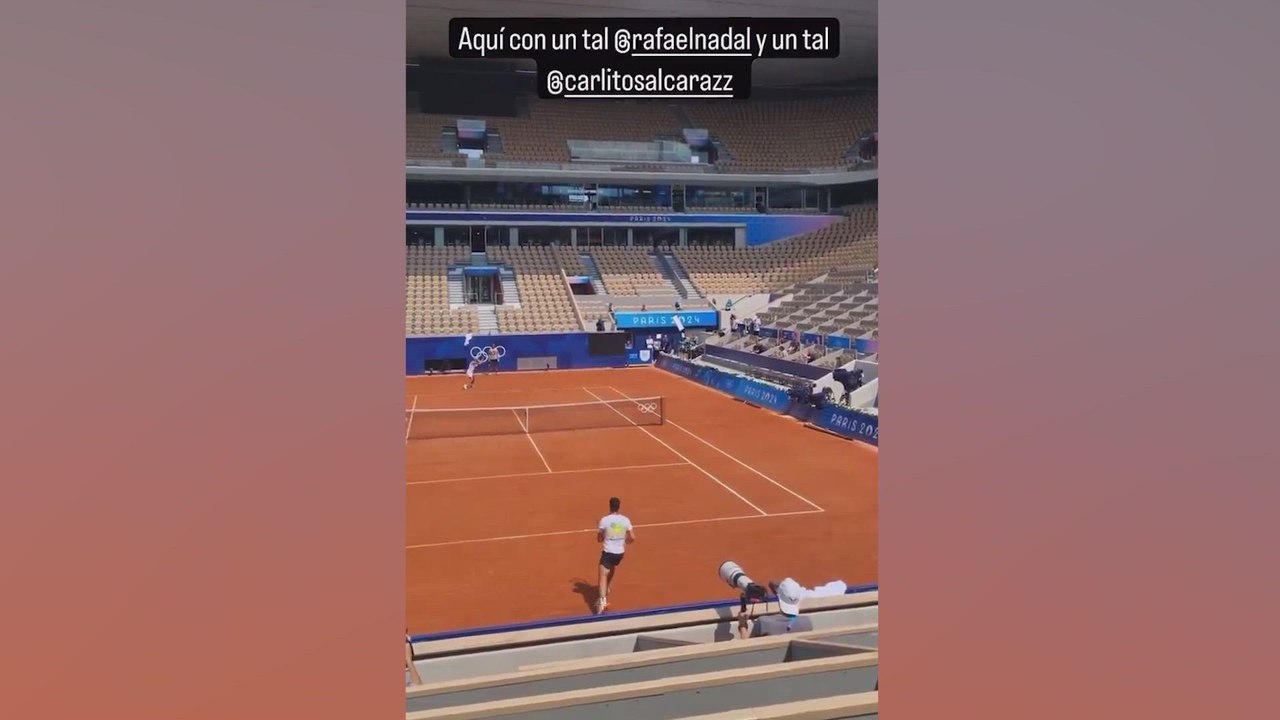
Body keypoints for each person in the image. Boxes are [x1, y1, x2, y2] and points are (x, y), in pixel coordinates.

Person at [595, 496, 635, 614]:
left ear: (610, 506)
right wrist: (626, 542)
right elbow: (632, 537)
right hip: (620, 553)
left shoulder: (604, 520)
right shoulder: (625, 520)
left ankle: (602, 602)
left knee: (602, 576)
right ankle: (607, 587)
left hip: (608, 552)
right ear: (619, 506)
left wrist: (601, 536)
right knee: (611, 567)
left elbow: (599, 538)